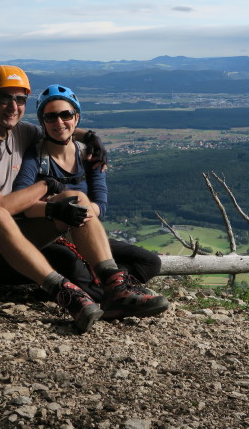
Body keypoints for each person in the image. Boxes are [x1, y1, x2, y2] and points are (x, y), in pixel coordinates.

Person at [0, 65, 168, 333]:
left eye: (20, 99)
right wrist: (46, 185)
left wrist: (92, 138)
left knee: (75, 199)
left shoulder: (20, 132)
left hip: (12, 240)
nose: (13, 106)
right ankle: (67, 294)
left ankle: (115, 288)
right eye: (4, 98)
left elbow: (59, 129)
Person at [12, 84, 162, 303]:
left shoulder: (89, 156)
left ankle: (113, 287)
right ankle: (112, 297)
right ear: (43, 122)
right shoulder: (36, 158)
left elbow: (101, 206)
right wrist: (57, 210)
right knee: (71, 262)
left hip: (85, 232)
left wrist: (78, 213)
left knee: (150, 262)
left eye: (66, 115)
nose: (59, 122)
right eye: (51, 117)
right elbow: (21, 204)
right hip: (54, 238)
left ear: (77, 117)